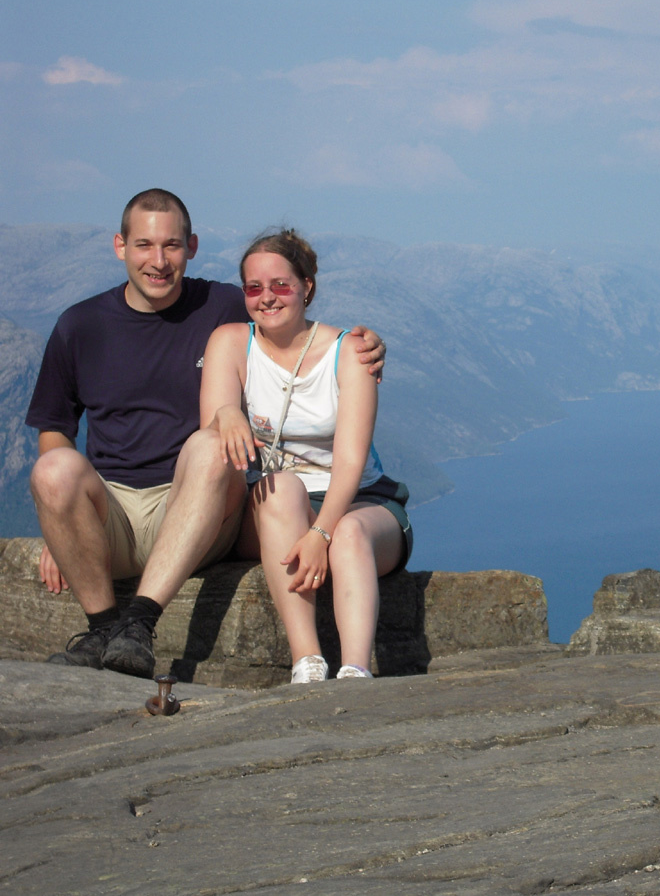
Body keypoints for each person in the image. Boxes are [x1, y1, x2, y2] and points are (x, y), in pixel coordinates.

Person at [25, 189, 386, 678]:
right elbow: (54, 431)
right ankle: (103, 631)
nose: (158, 261)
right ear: (120, 246)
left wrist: (366, 345)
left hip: (199, 507)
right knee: (51, 469)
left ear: (191, 246)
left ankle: (140, 623)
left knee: (212, 443)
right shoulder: (80, 326)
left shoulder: (222, 306)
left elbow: (285, 317)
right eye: (144, 246)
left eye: (171, 245)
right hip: (111, 506)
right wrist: (61, 524)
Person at [201, 228, 411, 684]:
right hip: (278, 505)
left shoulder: (351, 352)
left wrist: (320, 533)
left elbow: (351, 461)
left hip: (360, 500)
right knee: (280, 489)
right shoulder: (231, 343)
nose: (267, 298)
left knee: (351, 534)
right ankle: (308, 662)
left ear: (307, 287)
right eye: (254, 288)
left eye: (281, 285)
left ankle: (356, 672)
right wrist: (225, 415)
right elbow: (210, 436)